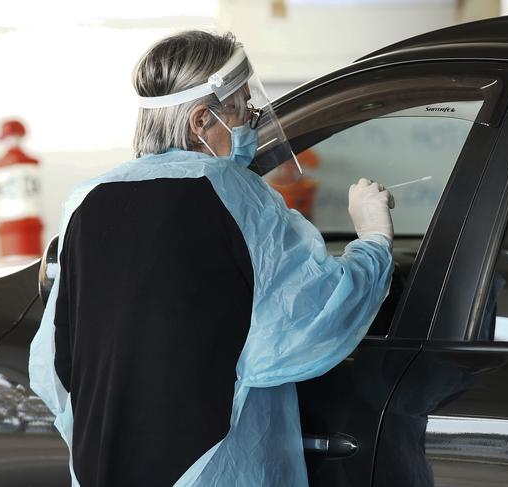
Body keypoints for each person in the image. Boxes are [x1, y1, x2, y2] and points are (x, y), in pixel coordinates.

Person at [29, 31, 395, 487]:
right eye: (242, 107)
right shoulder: (230, 192)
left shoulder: (86, 199)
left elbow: (53, 367)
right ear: (202, 120)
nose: (252, 120)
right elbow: (312, 319)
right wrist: (373, 241)